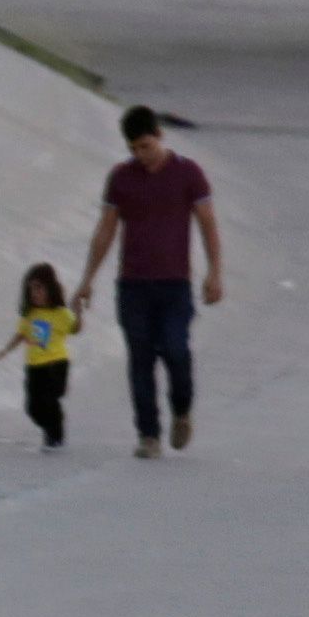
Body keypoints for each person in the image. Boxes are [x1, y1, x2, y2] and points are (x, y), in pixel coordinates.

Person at [79, 104, 225, 457]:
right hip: (133, 286)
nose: (140, 155)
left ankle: (181, 410)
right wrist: (87, 279)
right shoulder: (121, 178)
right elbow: (105, 231)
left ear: (159, 136)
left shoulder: (188, 174)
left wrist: (214, 272)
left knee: (176, 350)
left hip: (175, 285)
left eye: (145, 146)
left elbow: (207, 224)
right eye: (133, 149)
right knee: (140, 358)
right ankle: (148, 435)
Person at [0, 263, 82, 453]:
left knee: (50, 399)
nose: (35, 293)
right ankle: (52, 426)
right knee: (32, 408)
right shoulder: (30, 315)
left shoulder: (61, 313)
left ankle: (55, 437)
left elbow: (75, 329)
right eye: (31, 289)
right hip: (34, 366)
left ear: (51, 288)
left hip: (57, 363)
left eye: (39, 288)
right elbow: (20, 335)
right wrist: (5, 350)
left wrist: (78, 312)